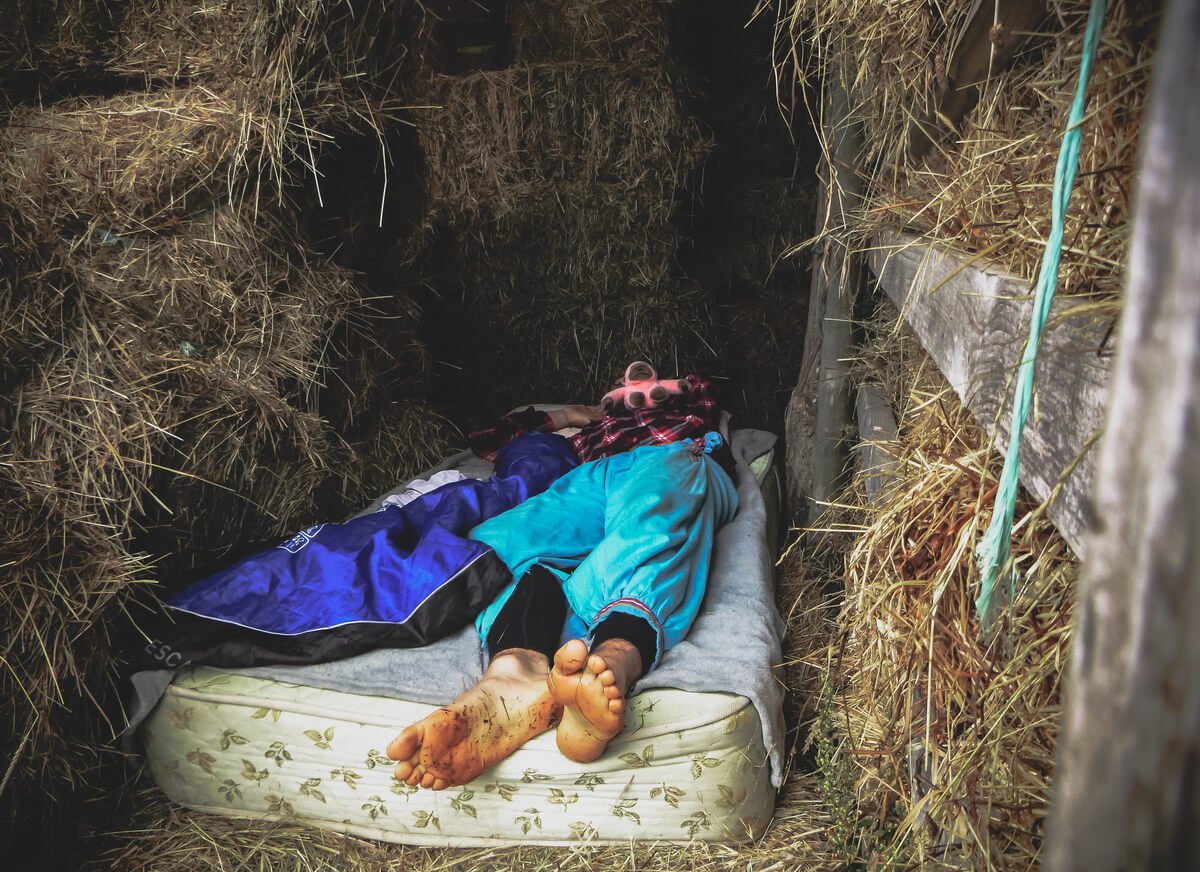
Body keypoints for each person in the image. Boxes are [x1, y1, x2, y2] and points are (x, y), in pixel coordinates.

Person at [386, 411, 740, 790]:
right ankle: (516, 667)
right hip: (589, 475)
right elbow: (492, 433)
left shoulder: (674, 405)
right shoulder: (572, 427)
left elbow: (699, 398)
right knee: (491, 547)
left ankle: (613, 659)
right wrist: (570, 415)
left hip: (671, 457)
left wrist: (647, 400)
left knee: (653, 516)